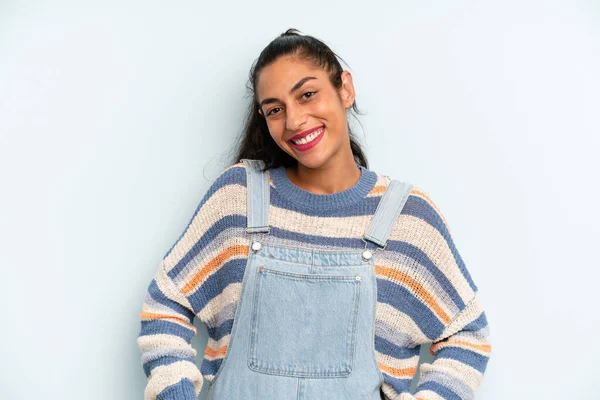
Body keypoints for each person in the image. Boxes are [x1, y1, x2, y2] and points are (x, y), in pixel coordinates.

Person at [137, 28, 492, 400]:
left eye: (307, 94)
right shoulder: (238, 198)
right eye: (275, 109)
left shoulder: (407, 219)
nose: (293, 121)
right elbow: (165, 304)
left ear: (345, 89)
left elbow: (467, 335)